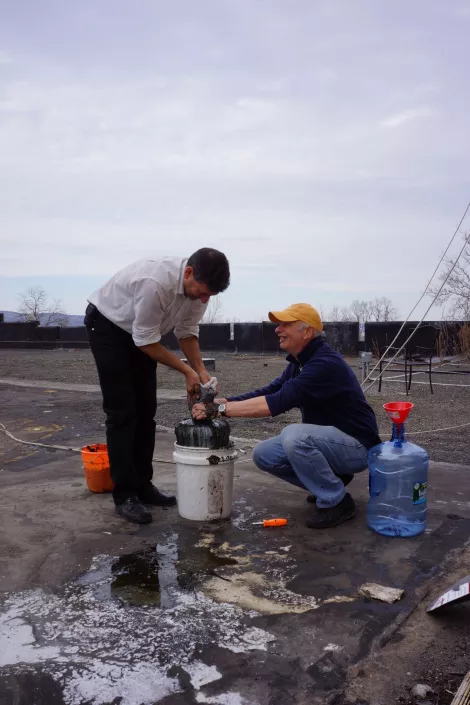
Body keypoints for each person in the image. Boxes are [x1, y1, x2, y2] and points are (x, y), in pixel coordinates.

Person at [192, 303, 380, 528]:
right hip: (332, 444)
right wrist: (224, 402)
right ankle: (331, 481)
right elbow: (271, 391)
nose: (277, 330)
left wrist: (218, 411)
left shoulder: (323, 363)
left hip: (358, 446)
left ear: (307, 331)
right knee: (264, 454)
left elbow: (276, 403)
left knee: (295, 435)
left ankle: (337, 501)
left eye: (285, 324)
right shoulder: (301, 362)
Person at [85, 248, 230, 524]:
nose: (204, 299)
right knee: (122, 411)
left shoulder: (200, 290)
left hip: (141, 334)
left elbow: (186, 334)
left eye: (209, 295)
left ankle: (142, 485)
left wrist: (200, 372)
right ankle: (125, 494)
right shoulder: (156, 282)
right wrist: (185, 370)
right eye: (202, 292)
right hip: (108, 328)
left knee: (146, 409)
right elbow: (145, 340)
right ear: (188, 272)